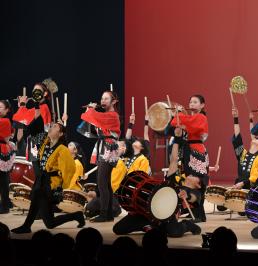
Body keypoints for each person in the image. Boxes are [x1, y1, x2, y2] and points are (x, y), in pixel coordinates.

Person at [113, 127, 201, 237]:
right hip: (145, 210)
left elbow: (195, 197)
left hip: (166, 215)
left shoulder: (190, 191)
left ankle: (187, 225)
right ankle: (148, 225)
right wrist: (177, 140)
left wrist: (187, 195)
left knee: (174, 232)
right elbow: (173, 159)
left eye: (195, 177)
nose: (191, 176)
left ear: (197, 184)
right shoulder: (170, 182)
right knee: (118, 229)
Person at [11, 119, 85, 234]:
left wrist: (62, 185)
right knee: (50, 223)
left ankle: (26, 226)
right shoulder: (45, 144)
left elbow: (70, 168)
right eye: (51, 125)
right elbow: (35, 133)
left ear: (60, 134)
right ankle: (77, 215)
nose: (51, 127)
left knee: (36, 196)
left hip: (51, 183)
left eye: (55, 126)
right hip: (42, 180)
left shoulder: (62, 149)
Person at [81, 90, 121, 222]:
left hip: (108, 148)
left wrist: (91, 109)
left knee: (102, 183)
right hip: (105, 148)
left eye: (106, 99)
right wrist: (90, 112)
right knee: (106, 183)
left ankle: (105, 213)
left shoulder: (112, 115)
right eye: (102, 99)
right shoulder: (105, 116)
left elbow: (95, 117)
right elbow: (91, 123)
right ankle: (108, 213)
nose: (102, 101)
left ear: (113, 101)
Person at [169, 94, 209, 222]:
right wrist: (177, 115)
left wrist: (179, 114)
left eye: (195, 102)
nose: (191, 104)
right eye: (190, 102)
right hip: (187, 151)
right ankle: (199, 214)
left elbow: (190, 124)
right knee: (189, 180)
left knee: (195, 181)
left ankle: (199, 214)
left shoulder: (201, 117)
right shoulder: (189, 117)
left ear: (202, 105)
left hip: (198, 151)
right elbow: (174, 123)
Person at [0, 100, 16, 214]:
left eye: (0, 107)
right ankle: (6, 203)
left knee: (3, 179)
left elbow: (6, 139)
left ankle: (5, 205)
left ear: (6, 110)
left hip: (1, 149)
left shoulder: (5, 121)